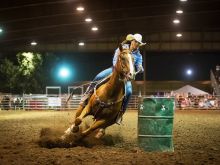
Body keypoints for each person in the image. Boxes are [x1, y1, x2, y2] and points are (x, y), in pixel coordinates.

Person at [79, 33, 146, 123]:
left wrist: (140, 68)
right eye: (135, 41)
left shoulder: (138, 55)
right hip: (115, 70)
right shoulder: (122, 47)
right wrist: (117, 70)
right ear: (132, 41)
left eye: (138, 43)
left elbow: (138, 66)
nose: (136, 44)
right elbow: (115, 59)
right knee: (98, 76)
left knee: (129, 92)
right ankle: (87, 95)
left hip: (126, 76)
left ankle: (121, 113)